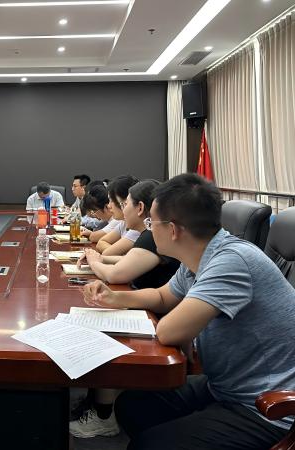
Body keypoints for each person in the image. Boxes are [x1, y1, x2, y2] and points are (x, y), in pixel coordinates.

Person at [83, 174, 295, 450]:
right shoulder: (200, 255)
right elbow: (163, 296)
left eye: (151, 223)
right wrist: (115, 297)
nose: (149, 230)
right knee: (132, 406)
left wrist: (182, 328)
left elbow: (169, 331)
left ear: (172, 230)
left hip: (267, 406)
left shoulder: (232, 262)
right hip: (227, 385)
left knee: (149, 445)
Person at [69, 180, 180, 440]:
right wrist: (102, 262)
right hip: (157, 306)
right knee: (104, 310)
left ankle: (103, 415)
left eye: (123, 203)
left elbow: (119, 272)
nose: (114, 207)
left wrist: (98, 262)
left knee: (105, 325)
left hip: (162, 319)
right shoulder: (154, 235)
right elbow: (131, 264)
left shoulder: (154, 236)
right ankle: (96, 401)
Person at [77, 179, 179, 288]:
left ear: (140, 208)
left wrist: (94, 262)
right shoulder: (149, 233)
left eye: (125, 204)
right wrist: (101, 258)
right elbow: (130, 260)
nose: (123, 210)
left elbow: (114, 275)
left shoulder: (151, 236)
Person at [95, 175, 141, 255]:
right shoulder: (123, 222)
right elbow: (101, 243)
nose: (109, 206)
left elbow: (107, 253)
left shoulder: (138, 227)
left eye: (111, 200)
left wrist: (115, 253)